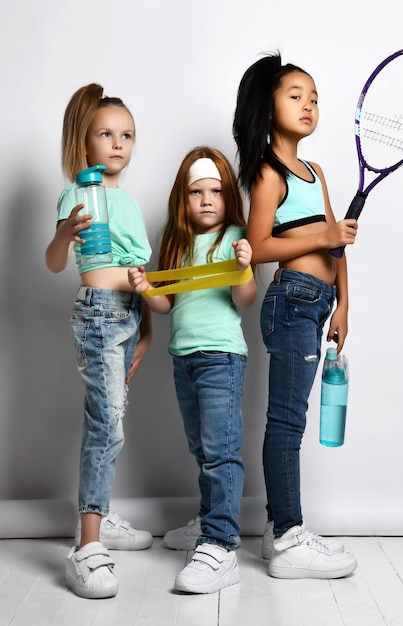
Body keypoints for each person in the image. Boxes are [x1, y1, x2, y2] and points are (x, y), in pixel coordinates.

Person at [233, 52, 359, 579]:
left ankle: (275, 532)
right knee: (286, 422)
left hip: (319, 305)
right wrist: (322, 236)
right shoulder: (268, 172)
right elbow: (256, 245)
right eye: (295, 95)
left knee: (292, 420)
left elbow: (338, 245)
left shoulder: (316, 171)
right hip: (291, 302)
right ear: (268, 106)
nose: (308, 104)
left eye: (314, 98)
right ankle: (288, 537)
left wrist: (345, 304)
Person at [128, 146, 257, 594]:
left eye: (216, 191)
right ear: (182, 199)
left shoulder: (237, 235)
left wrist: (243, 267)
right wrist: (146, 288)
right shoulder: (176, 241)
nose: (206, 200)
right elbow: (167, 305)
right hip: (182, 357)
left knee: (221, 450)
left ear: (228, 197)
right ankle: (210, 518)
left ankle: (220, 544)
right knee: (202, 448)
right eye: (196, 192)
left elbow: (246, 300)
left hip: (221, 356)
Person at [45, 83, 153, 599]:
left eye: (126, 135)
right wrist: (65, 232)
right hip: (98, 315)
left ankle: (102, 515)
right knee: (105, 425)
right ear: (83, 142)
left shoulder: (128, 203)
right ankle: (86, 547)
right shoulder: (77, 195)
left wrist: (147, 330)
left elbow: (140, 273)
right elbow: (54, 260)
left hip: (130, 315)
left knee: (114, 422)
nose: (117, 144)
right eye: (105, 134)